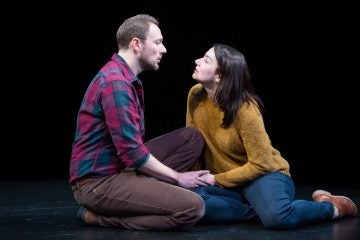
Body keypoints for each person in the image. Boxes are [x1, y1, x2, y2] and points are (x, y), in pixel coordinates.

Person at [186, 43, 358, 229]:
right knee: (191, 202)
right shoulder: (195, 95)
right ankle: (259, 209)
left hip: (263, 176)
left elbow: (261, 163)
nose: (197, 61)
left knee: (278, 218)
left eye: (206, 60)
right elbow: (193, 142)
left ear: (220, 75)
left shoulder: (245, 109)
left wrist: (215, 179)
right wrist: (194, 177)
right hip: (228, 185)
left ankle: (332, 207)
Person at [69, 14, 210, 230]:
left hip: (121, 168)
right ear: (136, 44)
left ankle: (144, 190)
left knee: (191, 138)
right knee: (193, 207)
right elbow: (133, 153)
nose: (164, 49)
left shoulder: (125, 78)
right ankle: (99, 217)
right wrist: (178, 178)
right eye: (158, 42)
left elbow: (131, 151)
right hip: (97, 183)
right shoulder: (115, 83)